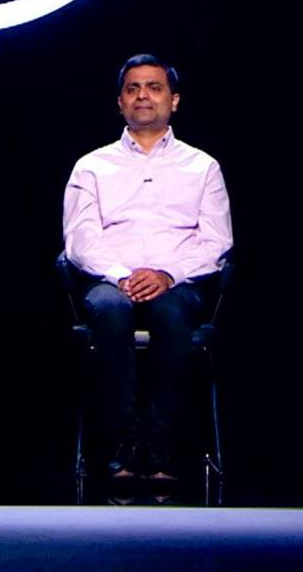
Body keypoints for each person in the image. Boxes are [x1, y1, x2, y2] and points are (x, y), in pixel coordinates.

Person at [63, 54, 233, 483]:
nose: (143, 96)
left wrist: (166, 274)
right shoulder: (92, 166)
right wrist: (122, 275)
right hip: (109, 281)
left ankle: (159, 448)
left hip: (177, 281)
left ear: (173, 101)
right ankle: (122, 446)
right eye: (133, 88)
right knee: (111, 311)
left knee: (172, 314)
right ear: (120, 102)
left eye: (154, 87)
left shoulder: (202, 167)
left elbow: (216, 241)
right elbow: (80, 239)